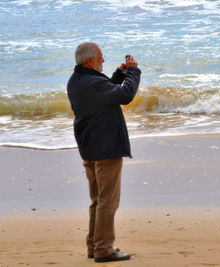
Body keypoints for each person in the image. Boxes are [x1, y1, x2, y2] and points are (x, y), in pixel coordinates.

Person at [67, 42, 141, 262]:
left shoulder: (78, 80)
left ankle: (94, 246)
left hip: (90, 148)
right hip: (105, 148)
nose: (103, 60)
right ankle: (104, 249)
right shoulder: (91, 82)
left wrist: (119, 73)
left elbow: (106, 91)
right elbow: (126, 95)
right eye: (100, 57)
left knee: (98, 201)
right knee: (107, 202)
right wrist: (133, 72)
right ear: (90, 61)